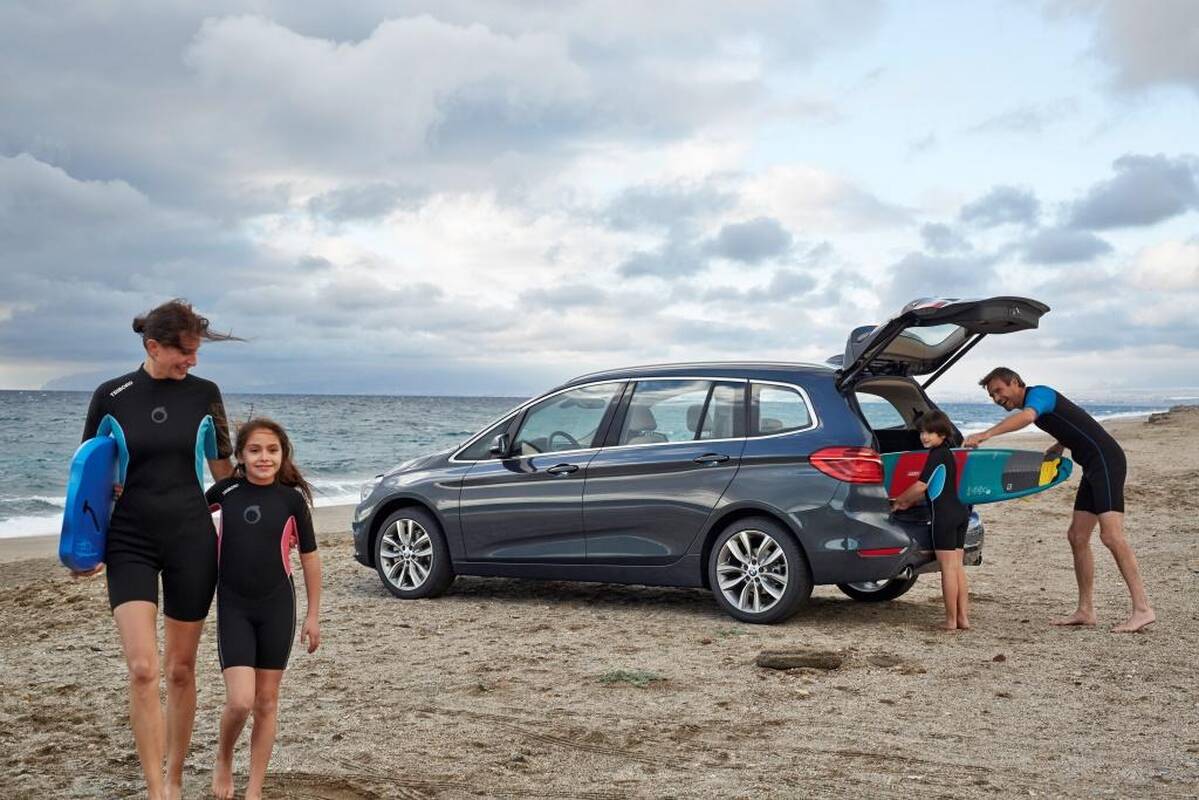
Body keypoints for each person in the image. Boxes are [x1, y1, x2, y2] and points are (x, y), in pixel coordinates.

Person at [75, 299, 239, 800]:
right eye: (184, 351)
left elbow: (225, 476)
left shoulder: (206, 395)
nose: (193, 360)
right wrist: (83, 544)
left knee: (181, 670)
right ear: (153, 346)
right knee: (143, 668)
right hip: (129, 540)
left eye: (195, 351)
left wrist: (263, 517)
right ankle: (155, 790)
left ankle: (174, 777)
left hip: (191, 539)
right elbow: (88, 476)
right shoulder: (111, 396)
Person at [964, 367, 1155, 633]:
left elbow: (1028, 417)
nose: (996, 398)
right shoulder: (1039, 402)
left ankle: (1143, 609)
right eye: (992, 395)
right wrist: (1061, 443)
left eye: (998, 390)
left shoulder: (1039, 395)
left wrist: (985, 434)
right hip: (1092, 465)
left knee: (1111, 536)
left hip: (1106, 462)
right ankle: (1086, 610)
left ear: (1015, 382)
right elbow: (1075, 421)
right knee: (1077, 536)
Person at [206, 418, 322, 800]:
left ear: (283, 454)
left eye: (272, 450)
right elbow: (183, 522)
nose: (264, 457)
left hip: (277, 607)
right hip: (234, 607)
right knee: (241, 701)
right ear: (240, 456)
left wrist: (313, 615)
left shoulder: (292, 501)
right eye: (254, 450)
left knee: (267, 702)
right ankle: (224, 758)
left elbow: (309, 558)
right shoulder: (223, 492)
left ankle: (254, 790)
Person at [891, 411, 970, 631]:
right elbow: (935, 488)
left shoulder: (936, 454)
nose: (924, 437)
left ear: (942, 434)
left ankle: (950, 621)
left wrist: (899, 501)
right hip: (960, 512)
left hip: (944, 517)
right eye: (922, 432)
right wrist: (909, 502)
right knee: (957, 568)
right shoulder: (947, 453)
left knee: (948, 569)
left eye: (930, 432)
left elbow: (921, 486)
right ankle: (963, 619)